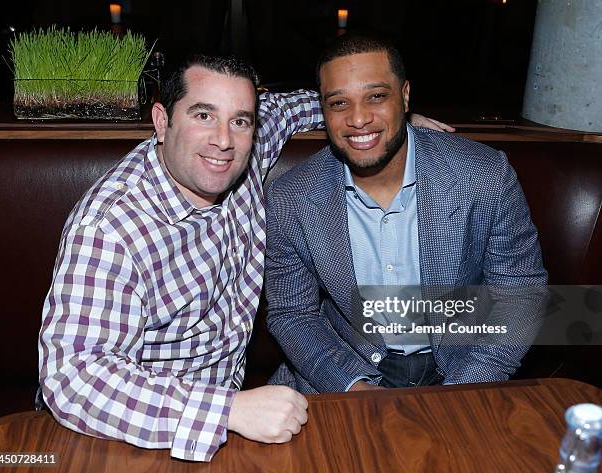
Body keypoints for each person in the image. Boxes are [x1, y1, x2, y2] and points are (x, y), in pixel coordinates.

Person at [38, 54, 450, 461]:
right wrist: (227, 411)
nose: (224, 139)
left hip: (232, 423)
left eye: (240, 120)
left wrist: (388, 121)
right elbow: (72, 378)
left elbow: (302, 105)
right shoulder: (110, 227)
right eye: (203, 115)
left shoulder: (243, 153)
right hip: (128, 430)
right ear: (162, 121)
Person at [264, 33, 548, 394]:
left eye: (377, 96)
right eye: (339, 103)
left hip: (463, 364)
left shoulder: (485, 175)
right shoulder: (291, 197)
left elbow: (518, 294)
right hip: (345, 367)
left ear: (406, 95)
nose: (359, 118)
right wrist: (353, 386)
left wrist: (463, 388)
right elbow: (294, 314)